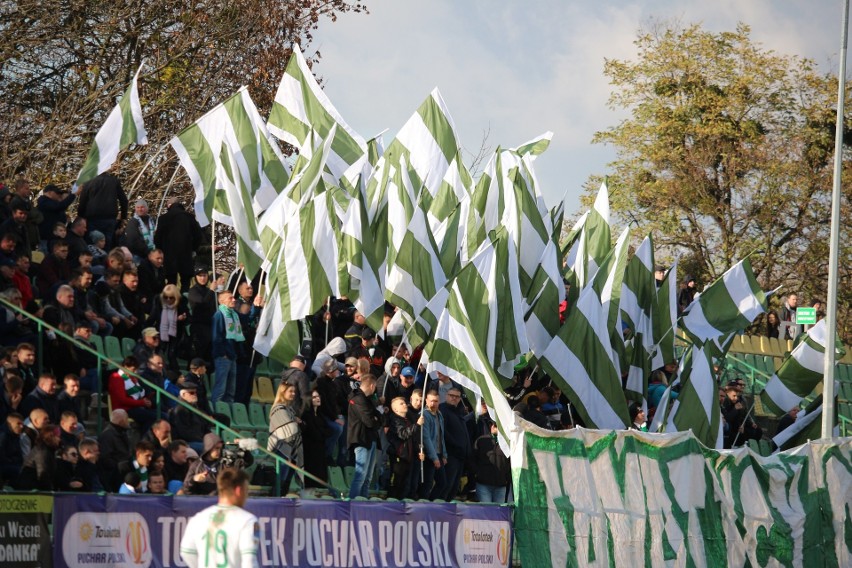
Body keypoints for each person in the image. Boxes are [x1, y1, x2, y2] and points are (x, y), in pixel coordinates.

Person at [179, 468, 259, 568]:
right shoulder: (247, 521)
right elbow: (249, 562)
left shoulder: (199, 518)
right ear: (239, 491)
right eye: (246, 490)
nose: (247, 496)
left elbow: (187, 552)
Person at [154, 199, 205, 292]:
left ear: (169, 205)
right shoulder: (190, 217)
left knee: (171, 282)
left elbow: (157, 239)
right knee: (185, 283)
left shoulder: (163, 218)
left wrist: (161, 251)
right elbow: (198, 236)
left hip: (169, 256)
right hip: (186, 255)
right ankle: (184, 303)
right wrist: (192, 248)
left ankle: (171, 302)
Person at [267, 382, 303, 495]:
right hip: (281, 449)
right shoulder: (278, 409)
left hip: (291, 449)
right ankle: (274, 503)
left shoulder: (289, 409)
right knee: (280, 480)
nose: (293, 394)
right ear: (282, 393)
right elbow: (289, 429)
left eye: (294, 391)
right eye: (290, 391)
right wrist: (296, 422)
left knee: (287, 481)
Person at [77, 172, 128, 250]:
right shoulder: (114, 181)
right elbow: (124, 200)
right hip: (109, 219)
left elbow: (83, 202)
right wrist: (123, 217)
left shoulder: (88, 182)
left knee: (92, 244)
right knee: (107, 244)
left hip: (92, 219)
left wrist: (81, 216)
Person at [385, 396, 424, 499]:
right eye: (401, 404)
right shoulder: (395, 420)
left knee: (405, 485)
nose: (405, 405)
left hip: (408, 457)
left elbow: (414, 438)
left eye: (405, 403)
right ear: (395, 409)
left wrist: (419, 450)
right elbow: (403, 434)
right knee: (396, 483)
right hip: (398, 456)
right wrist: (417, 425)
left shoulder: (407, 420)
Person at [211, 291, 243, 403]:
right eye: (230, 298)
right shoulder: (219, 315)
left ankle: (228, 413)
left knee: (230, 390)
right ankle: (216, 412)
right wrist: (222, 354)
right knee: (221, 388)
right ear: (222, 301)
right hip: (223, 357)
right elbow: (216, 337)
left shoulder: (234, 315)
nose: (234, 300)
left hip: (232, 356)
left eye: (233, 298)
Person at [419, 390, 447, 500]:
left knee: (442, 483)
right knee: (427, 483)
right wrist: (434, 457)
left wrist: (444, 454)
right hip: (428, 454)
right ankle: (424, 504)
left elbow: (441, 436)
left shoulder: (439, 415)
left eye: (435, 401)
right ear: (426, 401)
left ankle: (430, 503)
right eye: (431, 401)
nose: (433, 404)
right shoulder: (424, 415)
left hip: (439, 453)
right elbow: (426, 438)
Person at [301, 389, 331, 490]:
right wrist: (322, 433)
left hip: (320, 449)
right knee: (312, 477)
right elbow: (314, 433)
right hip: (310, 450)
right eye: (314, 397)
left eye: (318, 396)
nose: (318, 398)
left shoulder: (320, 415)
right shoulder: (306, 415)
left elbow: (328, 431)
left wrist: (322, 433)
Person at [125, 199, 157, 263]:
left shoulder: (152, 221)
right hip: (138, 255)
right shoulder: (133, 222)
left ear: (147, 208)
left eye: (142, 207)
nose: (140, 209)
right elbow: (133, 240)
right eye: (138, 207)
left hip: (153, 253)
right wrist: (147, 251)